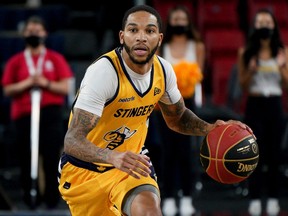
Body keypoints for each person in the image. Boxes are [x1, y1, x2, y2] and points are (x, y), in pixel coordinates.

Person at [57, 5, 252, 216]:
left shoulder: (164, 70)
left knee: (149, 211)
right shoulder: (103, 73)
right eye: (133, 30)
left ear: (159, 39)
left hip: (132, 166)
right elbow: (72, 140)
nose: (141, 37)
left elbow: (178, 118)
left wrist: (212, 128)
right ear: (122, 37)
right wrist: (112, 156)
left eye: (149, 31)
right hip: (85, 171)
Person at [1, 15, 74, 209]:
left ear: (45, 34)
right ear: (24, 34)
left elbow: (66, 87)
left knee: (51, 156)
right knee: (25, 156)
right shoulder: (16, 61)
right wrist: (27, 83)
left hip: (50, 113)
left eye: (37, 31)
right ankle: (29, 198)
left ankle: (52, 199)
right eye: (30, 31)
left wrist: (45, 83)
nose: (34, 34)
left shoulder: (54, 58)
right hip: (24, 114)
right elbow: (7, 89)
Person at [237, 8, 288, 216]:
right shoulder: (245, 52)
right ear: (254, 27)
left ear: (274, 26)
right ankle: (255, 199)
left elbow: (286, 85)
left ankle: (274, 198)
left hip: (274, 104)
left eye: (268, 22)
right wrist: (250, 70)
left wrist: (283, 67)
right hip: (255, 104)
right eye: (260, 22)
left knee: (274, 155)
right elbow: (243, 86)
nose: (264, 26)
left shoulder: (282, 52)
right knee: (254, 154)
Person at [155, 5, 205, 216]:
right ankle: (166, 198)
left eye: (182, 19)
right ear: (169, 22)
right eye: (175, 19)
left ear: (188, 22)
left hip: (187, 104)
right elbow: (155, 74)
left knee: (186, 152)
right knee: (166, 152)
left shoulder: (198, 46)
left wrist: (186, 83)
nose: (179, 23)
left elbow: (199, 75)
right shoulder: (162, 46)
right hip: (164, 105)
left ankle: (186, 198)